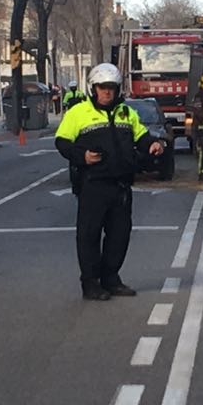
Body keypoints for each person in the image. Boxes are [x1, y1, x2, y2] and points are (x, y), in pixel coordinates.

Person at [55, 63, 166, 302]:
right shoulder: (78, 113)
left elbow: (141, 136)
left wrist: (152, 144)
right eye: (102, 88)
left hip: (121, 185)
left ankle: (111, 278)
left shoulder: (126, 112)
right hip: (93, 184)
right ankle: (91, 283)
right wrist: (81, 156)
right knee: (89, 235)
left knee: (119, 235)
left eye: (111, 88)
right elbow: (62, 142)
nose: (107, 92)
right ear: (93, 88)